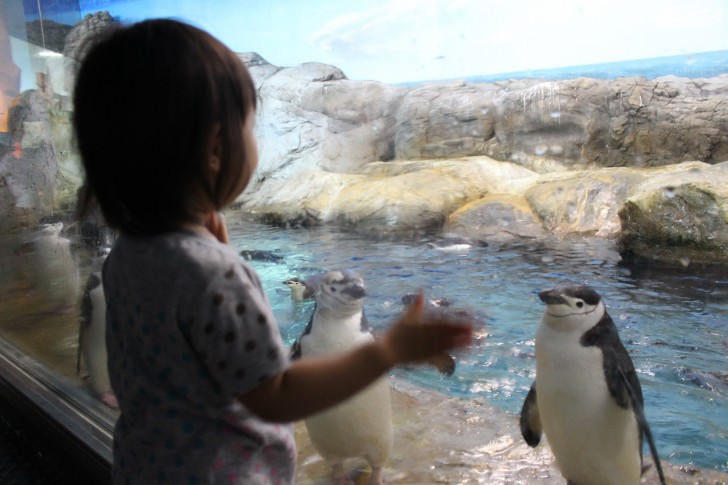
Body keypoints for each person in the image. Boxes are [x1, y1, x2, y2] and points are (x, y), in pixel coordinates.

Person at [73, 18, 472, 485]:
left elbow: (183, 348)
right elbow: (277, 395)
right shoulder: (215, 276)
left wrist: (212, 248)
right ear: (217, 151)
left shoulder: (127, 256)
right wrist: (387, 351)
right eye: (250, 125)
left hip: (146, 466)